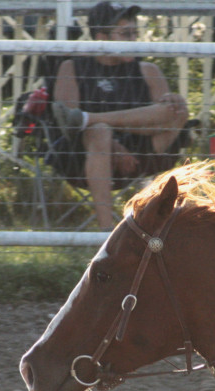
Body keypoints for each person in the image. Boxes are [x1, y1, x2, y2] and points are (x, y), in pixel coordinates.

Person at [49, 1, 190, 229]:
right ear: (101, 37)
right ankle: (106, 231)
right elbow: (69, 123)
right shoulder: (72, 67)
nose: (133, 40)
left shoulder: (148, 71)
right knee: (99, 131)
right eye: (125, 34)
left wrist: (174, 100)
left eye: (135, 33)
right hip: (85, 156)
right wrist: (115, 147)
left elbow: (166, 117)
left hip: (142, 151)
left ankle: (91, 117)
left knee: (177, 109)